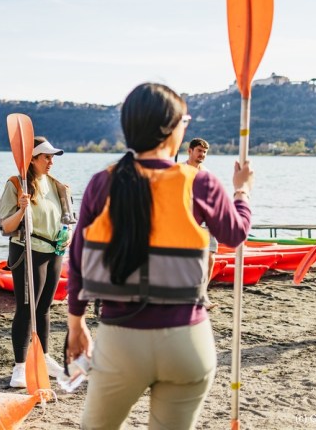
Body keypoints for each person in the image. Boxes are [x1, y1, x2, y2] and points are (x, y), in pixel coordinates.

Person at [66, 83, 253, 429]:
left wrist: (75, 325)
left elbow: (76, 261)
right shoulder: (200, 182)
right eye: (186, 121)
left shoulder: (101, 183)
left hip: (120, 340)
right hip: (187, 342)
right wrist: (242, 190)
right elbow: (235, 232)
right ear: (172, 128)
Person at [0, 136, 77, 388]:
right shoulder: (16, 185)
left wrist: (68, 236)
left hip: (54, 251)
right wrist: (21, 209)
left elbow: (65, 220)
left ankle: (42, 357)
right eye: (46, 157)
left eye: (53, 157)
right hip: (27, 250)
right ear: (31, 159)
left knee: (44, 308)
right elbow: (5, 226)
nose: (51, 161)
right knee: (26, 308)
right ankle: (20, 366)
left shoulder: (56, 185)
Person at [185, 138, 220, 290]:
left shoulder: (207, 174)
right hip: (185, 222)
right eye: (199, 151)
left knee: (210, 258)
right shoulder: (179, 171)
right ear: (190, 151)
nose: (202, 155)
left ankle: (202, 295)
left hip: (206, 222)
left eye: (204, 152)